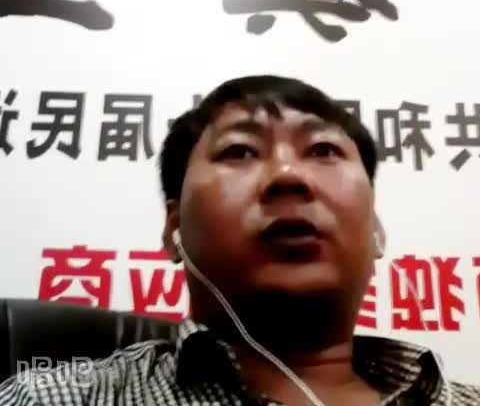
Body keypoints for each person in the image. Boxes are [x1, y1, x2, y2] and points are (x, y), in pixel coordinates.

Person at [0, 75, 478, 406]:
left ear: (376, 230)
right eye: (239, 151)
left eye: (323, 150)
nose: (289, 176)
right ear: (173, 230)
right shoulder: (56, 399)